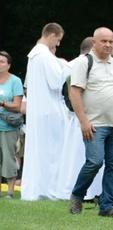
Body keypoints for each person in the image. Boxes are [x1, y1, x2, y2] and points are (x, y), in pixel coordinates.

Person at [68, 28, 113, 218]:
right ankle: (77, 195)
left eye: (111, 41)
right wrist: (84, 122)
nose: (108, 45)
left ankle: (107, 206)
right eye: (104, 41)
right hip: (94, 124)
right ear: (94, 43)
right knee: (94, 162)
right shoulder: (84, 62)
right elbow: (75, 92)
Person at [22, 23, 83, 201]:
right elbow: (56, 81)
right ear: (52, 35)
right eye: (58, 40)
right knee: (52, 151)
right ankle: (49, 188)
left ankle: (40, 187)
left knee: (42, 151)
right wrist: (70, 66)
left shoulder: (34, 55)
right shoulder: (43, 55)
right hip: (49, 110)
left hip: (39, 110)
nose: (57, 45)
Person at [0, 51, 23, 198]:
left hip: (8, 127)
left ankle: (10, 191)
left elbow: (18, 106)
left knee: (9, 158)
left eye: (2, 62)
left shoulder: (15, 81)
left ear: (8, 65)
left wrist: (1, 103)